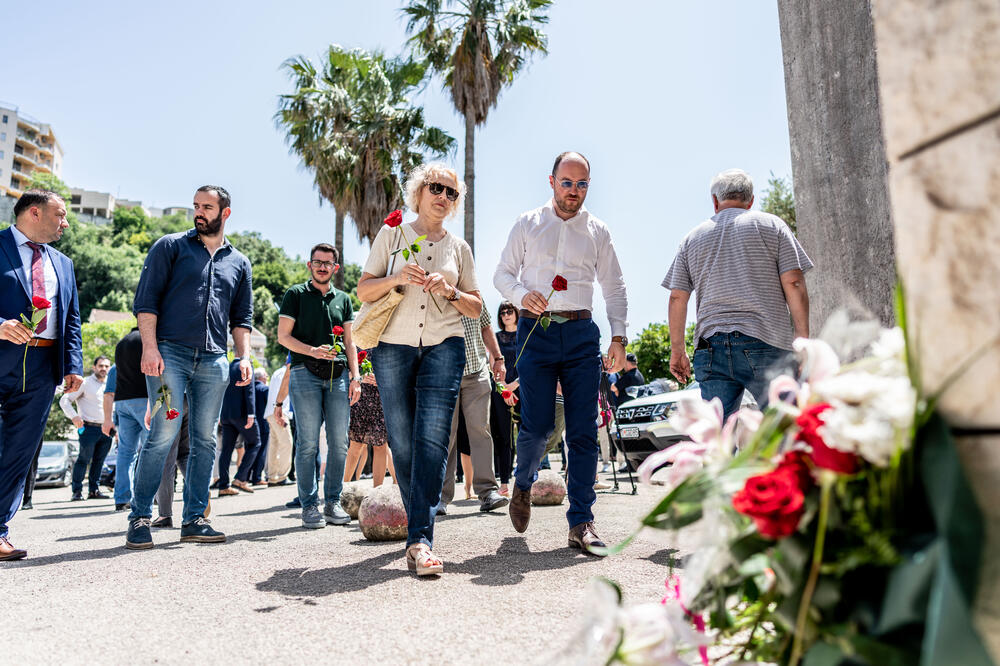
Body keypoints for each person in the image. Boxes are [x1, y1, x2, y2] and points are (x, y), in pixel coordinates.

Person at [494, 151, 629, 556]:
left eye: (582, 184)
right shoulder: (528, 223)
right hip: (536, 330)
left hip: (582, 332)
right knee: (535, 428)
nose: (574, 191)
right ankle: (522, 482)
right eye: (567, 182)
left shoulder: (598, 231)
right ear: (551, 181)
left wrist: (618, 337)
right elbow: (502, 274)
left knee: (584, 430)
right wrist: (520, 295)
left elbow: (615, 287)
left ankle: (581, 522)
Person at [358, 162, 482, 576]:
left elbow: (477, 307)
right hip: (393, 346)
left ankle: (420, 541)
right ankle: (418, 530)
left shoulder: (459, 249)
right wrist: (397, 278)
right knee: (403, 442)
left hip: (445, 347)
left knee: (432, 441)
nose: (443, 197)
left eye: (451, 192)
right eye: (436, 188)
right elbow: (364, 288)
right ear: (419, 192)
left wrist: (450, 290)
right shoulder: (393, 234)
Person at [125, 185, 253, 550]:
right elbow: (146, 302)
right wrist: (149, 348)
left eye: (207, 207)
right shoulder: (170, 246)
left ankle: (195, 519)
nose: (199, 212)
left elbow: (241, 317)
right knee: (164, 432)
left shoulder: (239, 262)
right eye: (196, 206)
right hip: (169, 357)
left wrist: (242, 356)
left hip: (214, 360)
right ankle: (139, 517)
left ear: (224, 213)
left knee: (205, 440)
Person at [664, 168, 812, 420]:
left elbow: (678, 297)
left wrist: (677, 349)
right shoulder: (772, 225)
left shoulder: (691, 238)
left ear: (714, 201)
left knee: (717, 437)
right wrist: (802, 339)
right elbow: (794, 282)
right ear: (751, 200)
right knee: (785, 428)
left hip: (711, 349)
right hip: (767, 343)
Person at [0, 189, 83, 561]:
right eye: (60, 215)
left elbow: (73, 320)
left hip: (41, 368)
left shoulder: (63, 264)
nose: (65, 223)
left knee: (19, 453)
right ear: (35, 212)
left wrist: (72, 366)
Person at [277, 242, 361, 529]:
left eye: (328, 263)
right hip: (304, 374)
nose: (322, 266)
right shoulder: (295, 295)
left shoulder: (344, 300)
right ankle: (309, 506)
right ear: (310, 265)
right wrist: (312, 350)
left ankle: (332, 502)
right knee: (308, 443)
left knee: (340, 444)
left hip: (338, 376)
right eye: (318, 262)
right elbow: (283, 337)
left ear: (335, 268)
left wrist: (356, 377)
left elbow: (350, 343)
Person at [440, 308, 508, 513]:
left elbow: (486, 325)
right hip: (443, 373)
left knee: (481, 431)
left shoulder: (475, 293)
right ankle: (440, 497)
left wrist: (498, 357)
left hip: (476, 371)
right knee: (446, 436)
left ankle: (488, 492)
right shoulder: (434, 288)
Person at [103, 326, 148, 511]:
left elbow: (108, 394)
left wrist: (107, 419)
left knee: (125, 453)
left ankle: (122, 498)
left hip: (123, 405)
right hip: (145, 402)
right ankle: (148, 496)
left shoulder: (120, 349)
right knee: (149, 451)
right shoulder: (147, 342)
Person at [60, 355, 113, 501]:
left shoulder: (110, 384)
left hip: (107, 429)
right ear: (94, 367)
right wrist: (74, 416)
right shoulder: (85, 383)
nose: (103, 369)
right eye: (100, 366)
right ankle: (77, 492)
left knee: (99, 461)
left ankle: (93, 491)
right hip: (88, 428)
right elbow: (64, 400)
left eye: (106, 366)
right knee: (83, 460)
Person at [345, 363, 397, 487]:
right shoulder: (354, 344)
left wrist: (383, 379)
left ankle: (377, 492)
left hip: (382, 399)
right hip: (359, 400)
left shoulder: (386, 345)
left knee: (381, 445)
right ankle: (344, 489)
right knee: (355, 446)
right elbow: (344, 374)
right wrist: (359, 377)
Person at [217, 358, 259, 496]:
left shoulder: (226, 366)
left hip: (226, 415)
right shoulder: (247, 365)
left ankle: (223, 486)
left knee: (226, 450)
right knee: (255, 443)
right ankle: (240, 479)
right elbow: (249, 390)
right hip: (242, 414)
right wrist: (251, 413)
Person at [490, 301, 519, 496]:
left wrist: (515, 385)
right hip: (501, 392)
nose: (506, 315)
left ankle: (527, 479)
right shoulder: (496, 338)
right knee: (503, 437)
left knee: (528, 434)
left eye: (509, 311)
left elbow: (531, 364)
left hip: (524, 387)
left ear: (516, 313)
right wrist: (505, 390)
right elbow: (493, 367)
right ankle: (504, 483)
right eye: (502, 313)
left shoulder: (526, 334)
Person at [152, 397, 190, 528]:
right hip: (191, 397)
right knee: (185, 455)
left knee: (166, 460)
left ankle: (164, 515)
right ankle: (198, 495)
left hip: (168, 397)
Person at [265, 357, 293, 486]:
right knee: (286, 444)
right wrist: (280, 414)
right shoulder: (285, 373)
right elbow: (280, 393)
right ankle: (282, 476)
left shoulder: (277, 372)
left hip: (270, 412)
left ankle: (272, 476)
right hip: (280, 412)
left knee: (274, 445)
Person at [248, 367, 270, 486]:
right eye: (266, 376)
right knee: (262, 451)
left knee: (250, 449)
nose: (266, 378)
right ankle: (257, 477)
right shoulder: (265, 389)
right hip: (263, 423)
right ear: (261, 377)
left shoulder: (250, 388)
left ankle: (247, 476)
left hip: (249, 423)